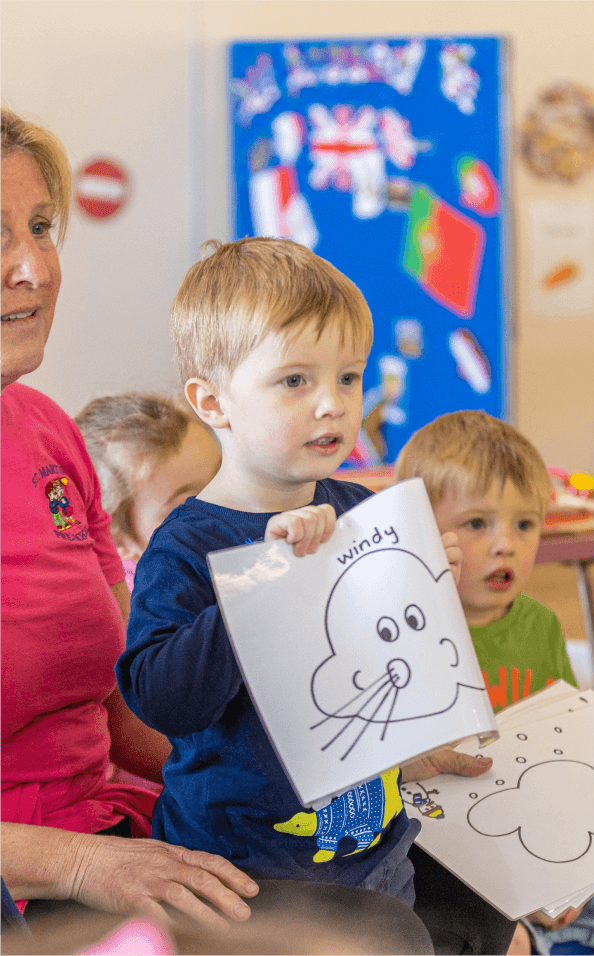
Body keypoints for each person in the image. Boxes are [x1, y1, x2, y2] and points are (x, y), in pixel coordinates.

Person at [115, 238, 467, 914]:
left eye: (349, 378)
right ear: (213, 403)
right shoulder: (186, 546)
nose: (333, 405)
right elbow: (162, 702)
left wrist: (426, 588)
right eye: (296, 381)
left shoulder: (360, 510)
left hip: (376, 853)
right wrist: (265, 584)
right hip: (248, 879)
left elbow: (396, 669)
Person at [0, 106, 260, 930]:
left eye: (42, 227)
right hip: (36, 876)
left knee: (400, 906)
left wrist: (320, 754)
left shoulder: (44, 431)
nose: (34, 268)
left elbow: (130, 713)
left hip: (104, 828)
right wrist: (78, 861)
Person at [394, 410, 594, 956]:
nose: (505, 545)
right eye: (477, 523)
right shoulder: (401, 633)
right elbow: (409, 799)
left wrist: (579, 872)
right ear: (420, 529)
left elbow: (571, 753)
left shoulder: (541, 625)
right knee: (504, 942)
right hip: (455, 875)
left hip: (555, 851)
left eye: (524, 524)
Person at [74, 392, 222, 593]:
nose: (224, 507)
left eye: (223, 478)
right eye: (189, 506)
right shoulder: (153, 607)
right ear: (117, 542)